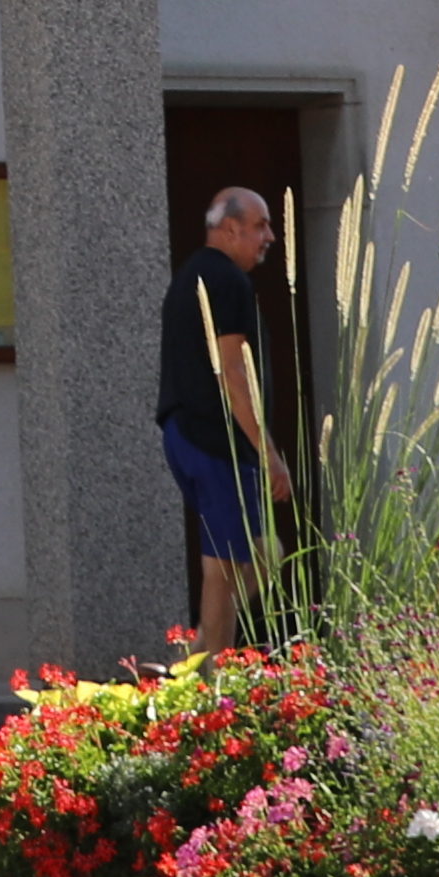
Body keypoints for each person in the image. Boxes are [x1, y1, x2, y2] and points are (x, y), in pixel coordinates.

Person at [157, 183, 292, 643]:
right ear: (230, 229)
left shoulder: (188, 277)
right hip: (217, 444)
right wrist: (267, 450)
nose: (270, 236)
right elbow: (233, 372)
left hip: (187, 436)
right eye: (260, 226)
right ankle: (202, 669)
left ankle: (206, 664)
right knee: (236, 563)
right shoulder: (227, 281)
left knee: (249, 558)